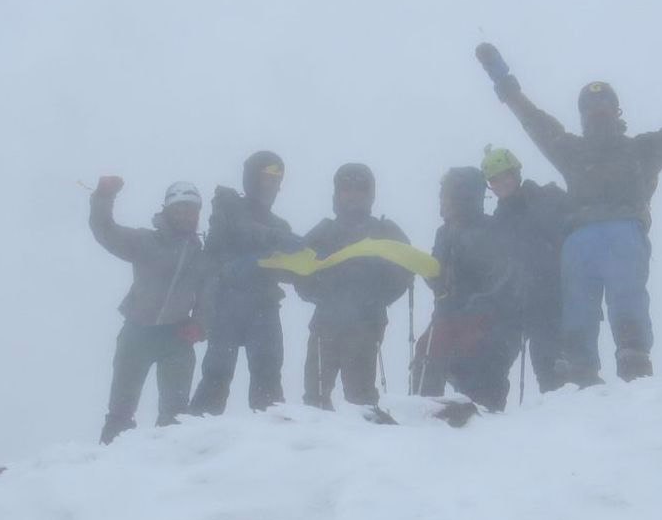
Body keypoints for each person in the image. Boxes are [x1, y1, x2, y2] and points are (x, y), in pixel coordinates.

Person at [482, 51, 662, 384]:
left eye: (598, 107)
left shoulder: (582, 149)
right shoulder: (634, 150)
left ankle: (594, 371)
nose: (595, 112)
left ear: (611, 111)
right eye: (590, 108)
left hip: (593, 237)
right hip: (612, 234)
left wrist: (505, 84)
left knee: (592, 306)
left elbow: (534, 120)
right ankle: (614, 368)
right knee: (608, 304)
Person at [88, 176, 207, 444]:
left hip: (177, 337)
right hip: (136, 334)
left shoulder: (201, 254)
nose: (185, 215)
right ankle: (106, 466)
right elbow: (104, 230)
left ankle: (167, 468)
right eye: (179, 209)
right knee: (121, 410)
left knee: (175, 415)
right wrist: (104, 197)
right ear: (167, 210)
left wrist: (200, 324)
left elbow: (208, 297)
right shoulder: (145, 241)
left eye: (191, 209)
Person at [294, 163, 413, 413]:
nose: (353, 194)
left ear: (370, 195)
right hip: (328, 322)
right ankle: (319, 447)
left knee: (360, 398)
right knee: (316, 397)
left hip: (364, 325)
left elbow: (405, 269)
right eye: (346, 188)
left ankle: (359, 448)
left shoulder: (383, 231)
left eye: (360, 189)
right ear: (337, 194)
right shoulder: (324, 231)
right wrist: (316, 292)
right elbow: (300, 270)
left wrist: (377, 297)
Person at [188, 150, 297, 415]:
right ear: (252, 178)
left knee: (268, 376)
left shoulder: (279, 225)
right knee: (217, 375)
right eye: (267, 178)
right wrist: (276, 242)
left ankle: (273, 439)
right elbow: (240, 229)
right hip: (226, 303)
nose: (273, 186)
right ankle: (198, 439)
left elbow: (285, 269)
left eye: (277, 180)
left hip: (264, 306)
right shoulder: (228, 205)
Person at [413, 166, 522, 413]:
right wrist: (436, 278)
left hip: (488, 321)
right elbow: (438, 275)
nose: (441, 202)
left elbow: (504, 277)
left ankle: (480, 420)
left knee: (478, 370)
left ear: (461, 197)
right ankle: (424, 413)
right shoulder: (445, 232)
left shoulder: (493, 230)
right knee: (427, 353)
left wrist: (478, 303)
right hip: (452, 317)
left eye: (445, 195)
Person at [481, 145, 572, 395]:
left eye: (504, 176)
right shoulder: (499, 222)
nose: (501, 183)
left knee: (555, 360)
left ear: (516, 173)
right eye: (494, 180)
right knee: (546, 363)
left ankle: (567, 411)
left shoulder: (547, 198)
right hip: (528, 299)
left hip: (555, 291)